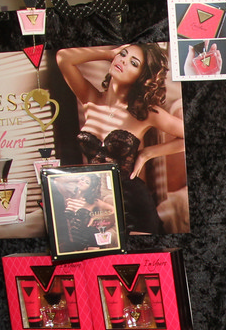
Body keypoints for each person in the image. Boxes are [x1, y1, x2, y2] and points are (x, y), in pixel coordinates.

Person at [56, 43, 183, 178]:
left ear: (141, 77)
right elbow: (63, 57)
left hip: (128, 189)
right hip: (94, 188)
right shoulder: (90, 98)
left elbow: (189, 134)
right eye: (123, 54)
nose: (123, 60)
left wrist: (147, 154)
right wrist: (109, 53)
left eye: (134, 63)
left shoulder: (145, 113)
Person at [101, 129, 166, 234]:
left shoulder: (142, 118)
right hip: (100, 198)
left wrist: (146, 154)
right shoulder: (88, 117)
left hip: (131, 198)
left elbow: (184, 136)